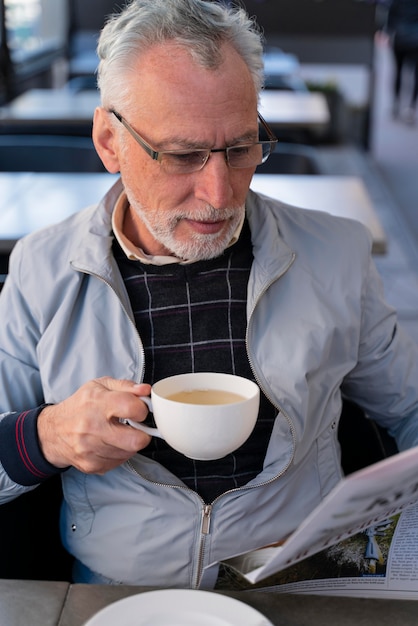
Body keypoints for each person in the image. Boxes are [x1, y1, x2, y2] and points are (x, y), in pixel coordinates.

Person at [0, 0, 418, 588]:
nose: (220, 193)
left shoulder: (337, 256)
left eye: (242, 149)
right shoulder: (42, 271)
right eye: (182, 155)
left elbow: (411, 406)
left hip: (300, 582)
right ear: (109, 141)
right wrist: (49, 435)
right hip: (119, 592)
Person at [386, 0, 418, 124]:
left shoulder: (397, 2)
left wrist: (388, 33)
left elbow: (390, 18)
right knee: (415, 74)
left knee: (398, 71)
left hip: (400, 39)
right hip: (416, 40)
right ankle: (411, 106)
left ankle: (396, 103)